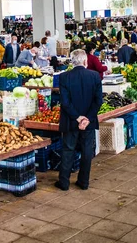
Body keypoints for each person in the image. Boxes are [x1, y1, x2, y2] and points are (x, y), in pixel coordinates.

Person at [54, 49, 102, 191]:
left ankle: (64, 182)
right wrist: (87, 118)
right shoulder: (94, 76)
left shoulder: (64, 77)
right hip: (89, 121)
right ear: (85, 61)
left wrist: (77, 117)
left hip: (70, 121)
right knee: (87, 151)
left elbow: (65, 102)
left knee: (68, 150)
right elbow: (98, 101)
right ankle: (83, 182)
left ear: (72, 61)